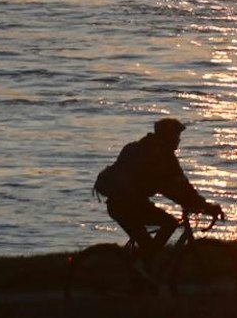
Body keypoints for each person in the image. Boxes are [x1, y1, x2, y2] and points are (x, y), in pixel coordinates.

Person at [94, 117, 223, 275]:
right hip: (127, 206)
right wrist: (204, 206)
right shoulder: (159, 158)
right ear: (167, 136)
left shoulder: (143, 148)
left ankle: (142, 274)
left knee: (149, 246)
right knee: (168, 224)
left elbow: (181, 188)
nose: (178, 140)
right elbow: (174, 188)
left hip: (124, 204)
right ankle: (139, 273)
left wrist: (199, 204)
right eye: (176, 136)